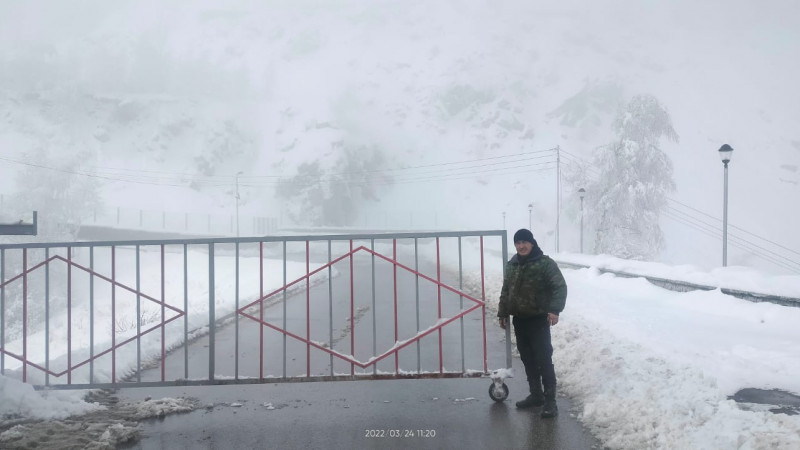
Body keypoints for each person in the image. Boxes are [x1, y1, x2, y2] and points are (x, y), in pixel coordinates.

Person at [497, 228, 567, 418]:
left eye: (524, 242)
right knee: (528, 359)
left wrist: (554, 310)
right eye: (517, 243)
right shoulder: (512, 265)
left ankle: (550, 402)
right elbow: (506, 290)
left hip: (538, 320)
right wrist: (502, 313)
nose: (521, 246)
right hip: (520, 320)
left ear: (532, 242)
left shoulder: (545, 264)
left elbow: (559, 286)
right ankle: (536, 395)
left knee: (544, 360)